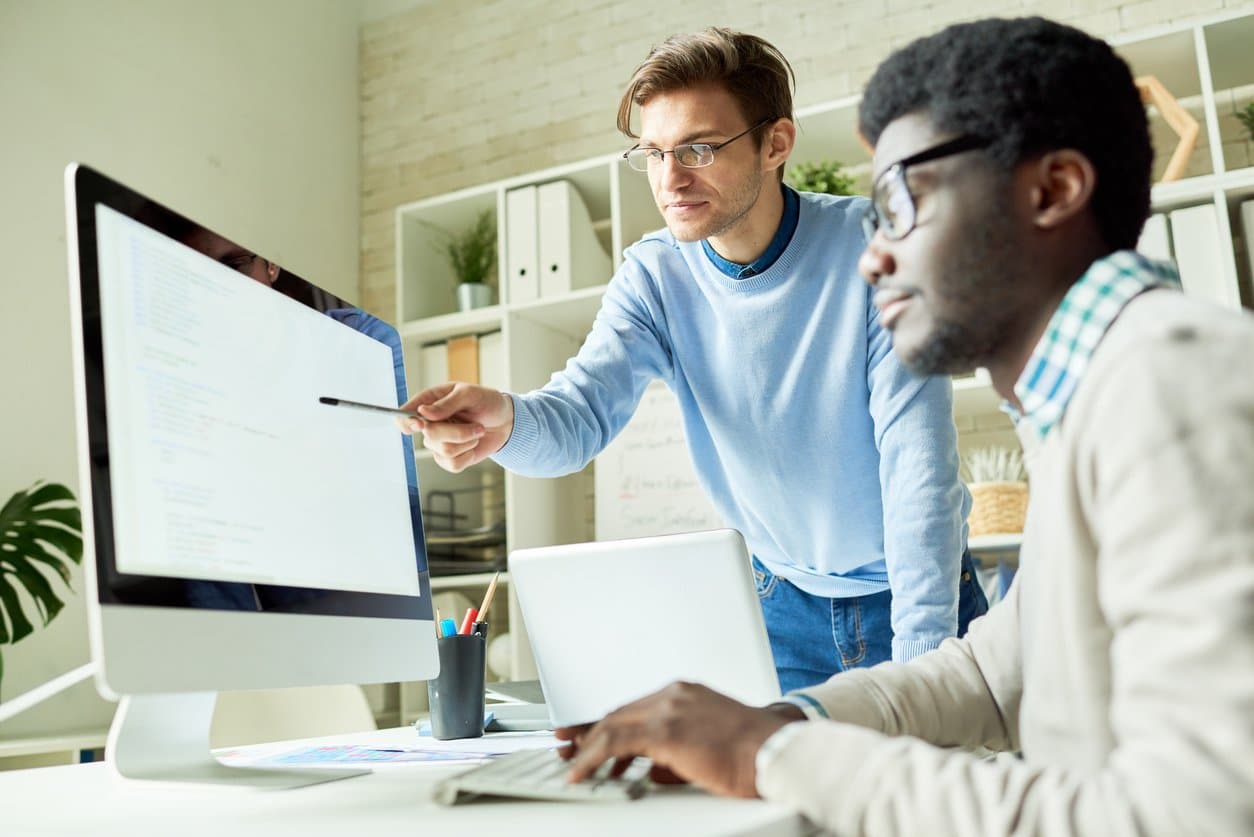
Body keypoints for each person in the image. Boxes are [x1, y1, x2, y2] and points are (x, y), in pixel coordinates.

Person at [554, 16, 1254, 835]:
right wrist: (771, 723)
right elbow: (994, 678)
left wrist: (771, 758)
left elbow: (1197, 814)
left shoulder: (1174, 385)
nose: (873, 253)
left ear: (1053, 190)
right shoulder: (1089, 406)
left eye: (901, 203)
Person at [403, 28, 986, 691]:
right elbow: (576, 420)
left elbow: (918, 471)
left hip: (919, 591)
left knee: (937, 785)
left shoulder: (875, 250)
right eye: (652, 154)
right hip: (781, 603)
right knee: (783, 790)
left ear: (776, 144)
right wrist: (502, 422)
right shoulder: (655, 277)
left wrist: (923, 671)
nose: (670, 180)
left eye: (698, 149)